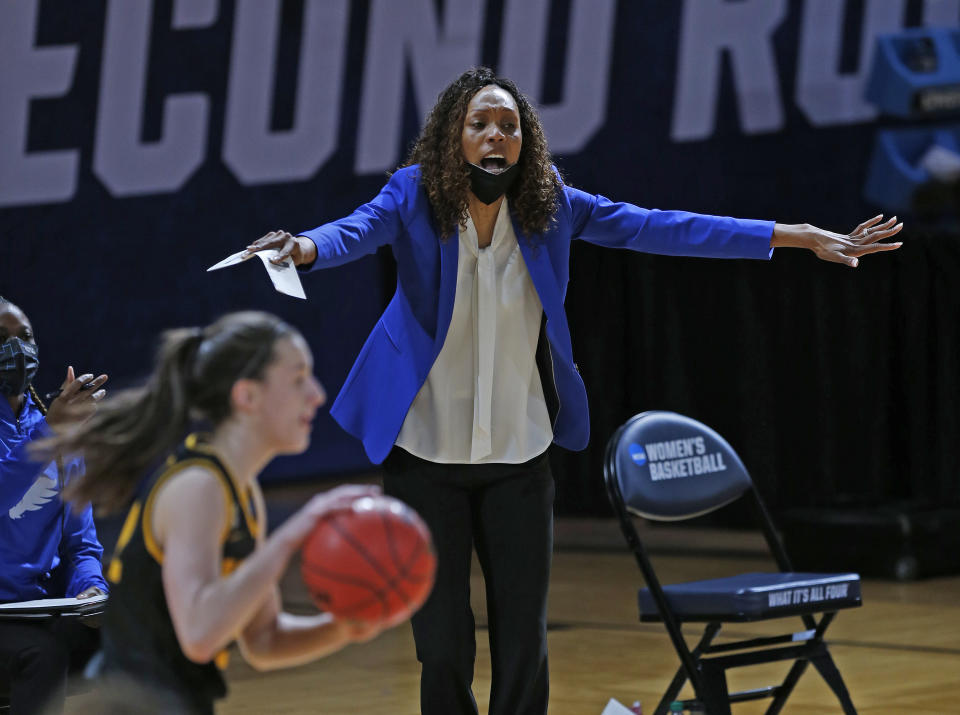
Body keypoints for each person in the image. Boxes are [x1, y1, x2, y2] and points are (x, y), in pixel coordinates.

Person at [243, 67, 904, 715]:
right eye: (481, 123)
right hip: (425, 453)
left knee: (523, 641)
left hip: (520, 454)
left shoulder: (550, 204)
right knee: (441, 645)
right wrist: (302, 248)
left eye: (510, 124)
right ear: (454, 136)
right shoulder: (412, 195)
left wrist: (794, 237)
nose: (497, 135)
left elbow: (662, 226)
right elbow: (353, 232)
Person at [40, 311, 393, 714]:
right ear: (247, 397)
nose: (317, 393)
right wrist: (296, 532)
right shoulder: (197, 488)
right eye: (298, 379)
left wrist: (343, 627)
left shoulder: (239, 491)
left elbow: (264, 641)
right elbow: (200, 634)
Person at [0, 297, 110, 715]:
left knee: (147, 633)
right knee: (42, 654)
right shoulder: (53, 428)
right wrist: (51, 431)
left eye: (24, 337)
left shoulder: (55, 429)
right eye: (0, 339)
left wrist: (90, 587)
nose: (16, 349)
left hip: (42, 608)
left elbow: (80, 545)